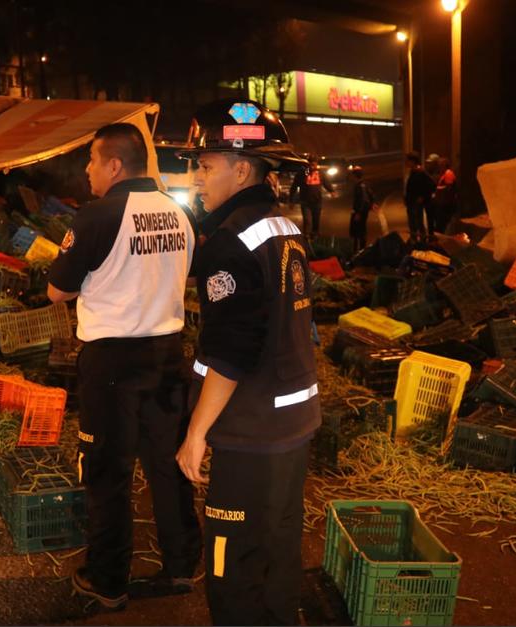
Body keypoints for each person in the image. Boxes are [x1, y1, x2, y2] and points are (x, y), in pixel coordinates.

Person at [174, 99, 321, 626]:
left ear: (241, 168)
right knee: (278, 550)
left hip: (251, 433)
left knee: (232, 563)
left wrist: (196, 433)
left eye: (206, 165)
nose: (197, 177)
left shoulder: (230, 243)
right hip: (293, 426)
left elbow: (231, 354)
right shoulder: (285, 227)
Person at [47, 122, 201, 610]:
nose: (88, 170)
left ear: (114, 165)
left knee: (107, 472)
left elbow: (58, 290)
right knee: (168, 464)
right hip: (168, 353)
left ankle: (108, 580)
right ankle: (182, 566)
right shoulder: (179, 215)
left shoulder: (96, 217)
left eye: (92, 161)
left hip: (112, 362)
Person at [289, 153, 333, 238]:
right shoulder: (302, 173)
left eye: (314, 163)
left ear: (316, 163)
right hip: (305, 201)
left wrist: (331, 190)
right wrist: (291, 200)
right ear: (308, 163)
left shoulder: (320, 173)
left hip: (317, 201)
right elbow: (294, 186)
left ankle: (315, 234)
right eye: (310, 163)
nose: (312, 165)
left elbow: (326, 182)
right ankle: (306, 236)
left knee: (316, 220)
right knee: (307, 220)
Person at [404, 151, 435, 242]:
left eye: (408, 160)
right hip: (411, 202)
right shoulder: (413, 172)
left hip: (416, 203)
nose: (406, 162)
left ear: (413, 161)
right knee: (413, 223)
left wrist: (422, 196)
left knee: (418, 222)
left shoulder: (420, 172)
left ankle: (422, 241)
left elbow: (431, 185)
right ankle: (415, 241)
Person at [350, 166, 374, 252]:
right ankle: (361, 249)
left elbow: (362, 199)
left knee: (358, 231)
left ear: (355, 175)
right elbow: (370, 194)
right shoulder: (364, 184)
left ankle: (359, 250)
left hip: (360, 211)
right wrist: (372, 204)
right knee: (361, 230)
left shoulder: (359, 186)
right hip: (364, 210)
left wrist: (358, 212)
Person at [431, 157, 458, 235]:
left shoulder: (448, 173)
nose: (439, 167)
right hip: (443, 203)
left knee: (442, 224)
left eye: (441, 165)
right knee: (441, 224)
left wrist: (438, 189)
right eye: (439, 165)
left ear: (445, 165)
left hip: (446, 204)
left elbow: (449, 188)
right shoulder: (444, 174)